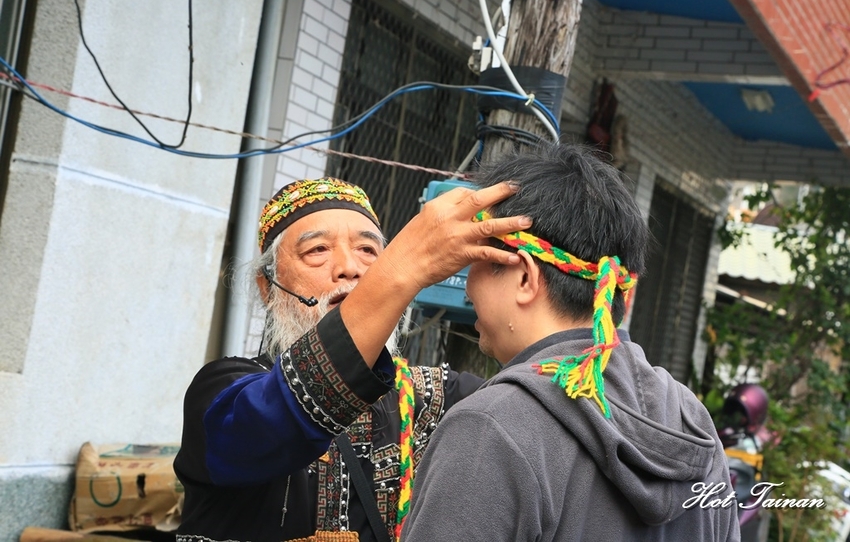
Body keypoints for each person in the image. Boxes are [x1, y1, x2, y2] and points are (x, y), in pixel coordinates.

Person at [402, 143, 740, 542]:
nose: (465, 286)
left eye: (472, 259)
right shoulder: (689, 418)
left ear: (525, 277)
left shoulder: (491, 427)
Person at [173, 176, 531, 542]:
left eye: (368, 251)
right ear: (268, 287)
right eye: (317, 250)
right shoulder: (222, 391)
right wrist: (402, 269)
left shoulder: (437, 398)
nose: (349, 267)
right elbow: (271, 419)